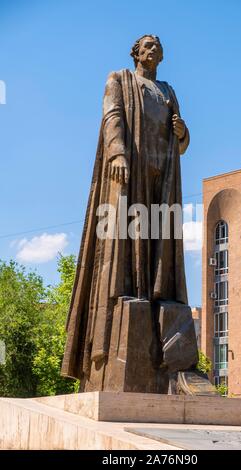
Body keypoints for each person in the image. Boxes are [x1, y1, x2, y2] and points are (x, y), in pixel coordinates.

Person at [61, 35, 192, 386]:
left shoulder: (167, 90)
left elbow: (181, 138)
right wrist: (117, 152)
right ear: (136, 52)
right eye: (148, 45)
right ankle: (124, 308)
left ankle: (162, 321)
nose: (155, 49)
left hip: (161, 174)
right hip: (129, 170)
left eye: (159, 46)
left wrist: (183, 134)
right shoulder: (118, 79)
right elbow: (112, 115)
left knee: (159, 242)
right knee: (123, 239)